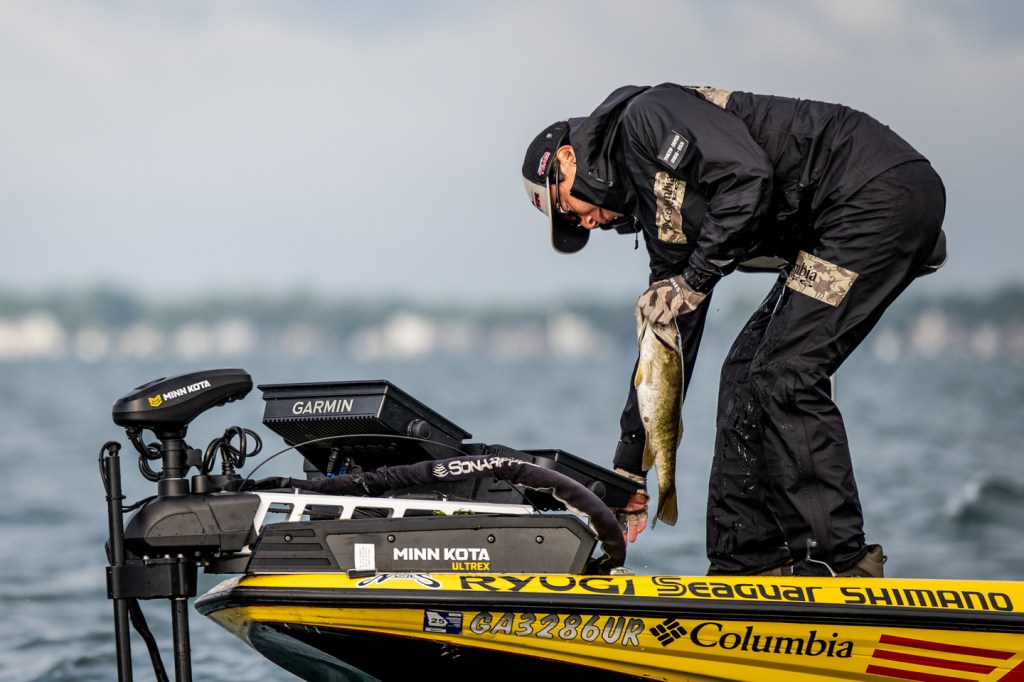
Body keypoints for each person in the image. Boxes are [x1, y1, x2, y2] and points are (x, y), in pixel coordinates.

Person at [521, 83, 946, 578]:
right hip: (834, 226)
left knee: (785, 373)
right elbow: (666, 344)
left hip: (873, 194)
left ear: (568, 158)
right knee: (745, 374)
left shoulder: (645, 117)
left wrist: (697, 278)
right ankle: (748, 562)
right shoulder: (659, 218)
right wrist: (629, 467)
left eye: (567, 209)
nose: (584, 225)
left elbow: (748, 177)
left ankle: (843, 564)